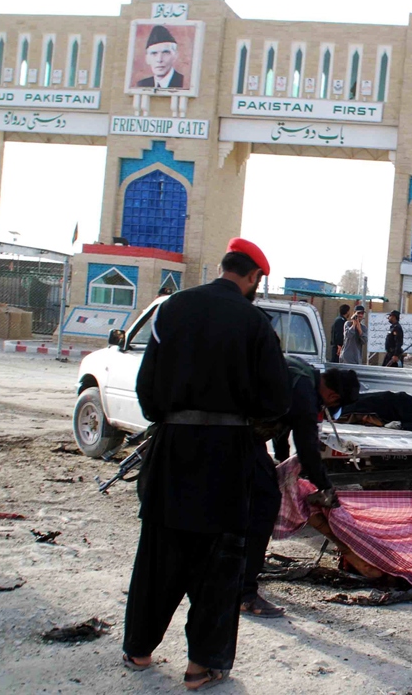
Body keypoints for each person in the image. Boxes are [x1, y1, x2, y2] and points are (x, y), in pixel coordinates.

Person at [123, 238, 291, 690]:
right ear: (254, 277)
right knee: (218, 565)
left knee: (158, 556)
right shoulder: (255, 324)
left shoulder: (172, 309)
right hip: (226, 457)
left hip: (173, 451)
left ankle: (138, 650)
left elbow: (147, 393)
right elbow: (276, 400)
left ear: (223, 267)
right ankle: (201, 667)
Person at [243, 358, 360, 618]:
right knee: (265, 504)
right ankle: (245, 592)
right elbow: (307, 449)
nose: (327, 408)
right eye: (333, 405)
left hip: (231, 434)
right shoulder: (306, 394)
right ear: (332, 394)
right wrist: (326, 487)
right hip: (236, 439)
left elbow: (281, 427)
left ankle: (234, 572)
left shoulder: (298, 370)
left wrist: (280, 462)